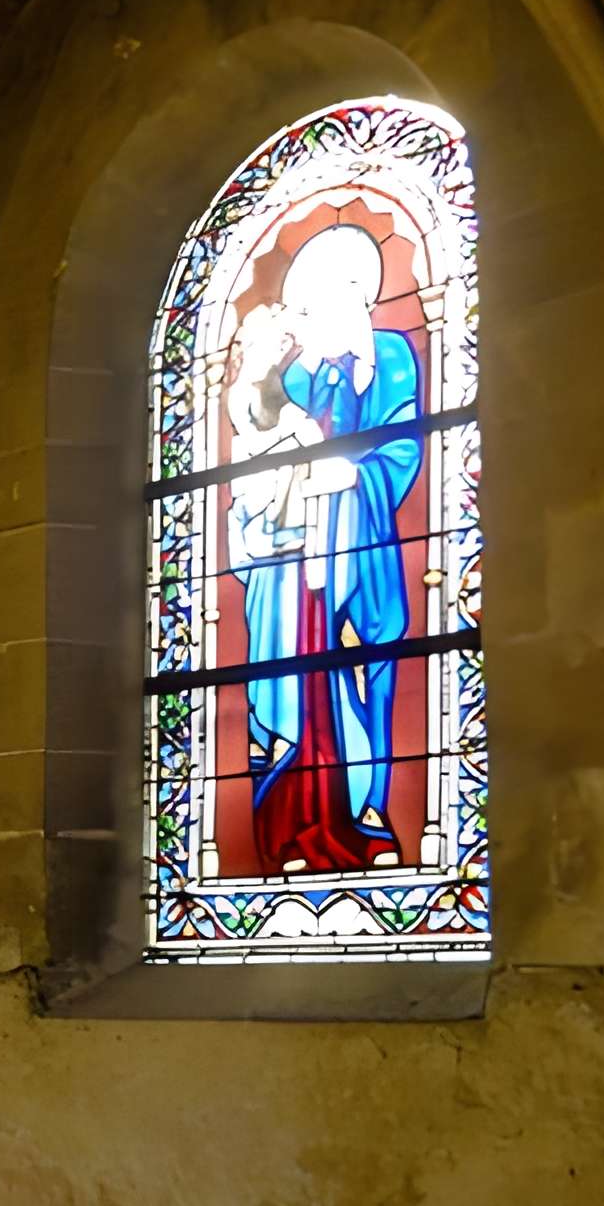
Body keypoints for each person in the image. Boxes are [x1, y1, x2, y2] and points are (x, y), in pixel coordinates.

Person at [233, 222, 419, 873]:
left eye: (329, 304)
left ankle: (364, 818)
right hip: (292, 567)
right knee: (294, 688)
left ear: (359, 300)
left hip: (358, 554)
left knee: (359, 671)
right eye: (306, 308)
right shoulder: (295, 380)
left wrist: (353, 476)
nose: (316, 320)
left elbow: (405, 446)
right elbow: (260, 446)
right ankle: (291, 830)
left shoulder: (392, 358)